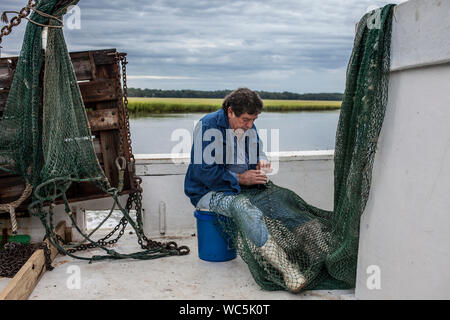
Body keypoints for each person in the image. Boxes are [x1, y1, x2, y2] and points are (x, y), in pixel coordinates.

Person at [184, 88, 306, 292]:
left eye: (254, 120)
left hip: (241, 187)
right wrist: (241, 179)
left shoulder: (249, 125)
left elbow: (259, 150)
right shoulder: (207, 126)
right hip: (207, 192)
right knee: (243, 207)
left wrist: (262, 162)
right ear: (230, 111)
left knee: (286, 201)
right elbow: (204, 171)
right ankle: (287, 269)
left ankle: (302, 254)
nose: (250, 125)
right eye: (246, 120)